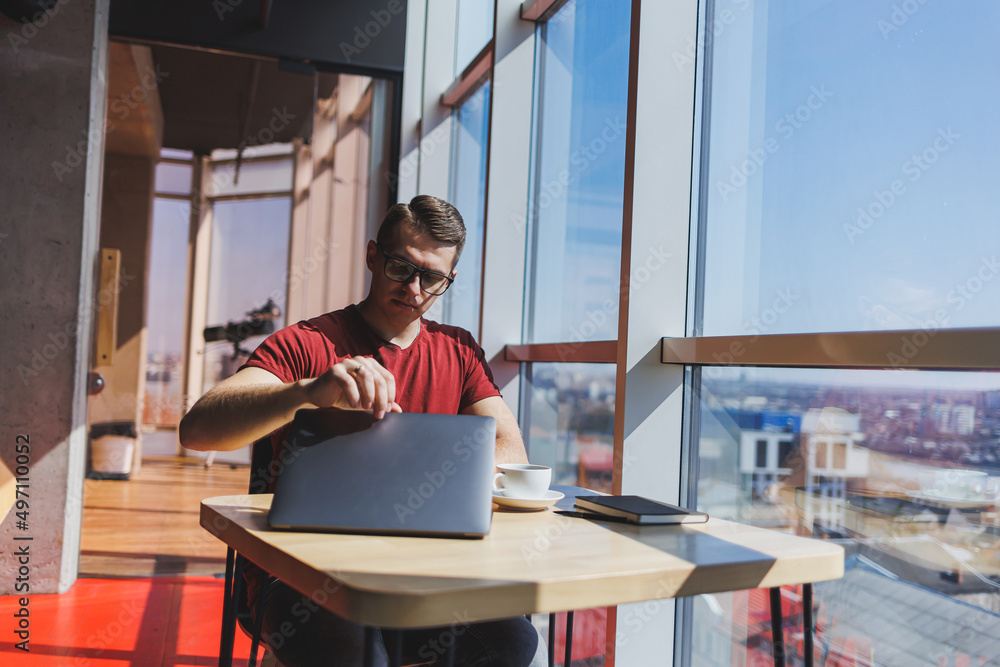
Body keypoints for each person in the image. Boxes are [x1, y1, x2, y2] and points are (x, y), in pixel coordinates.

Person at [180, 195, 546, 666]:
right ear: (373, 256)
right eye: (400, 268)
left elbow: (509, 448)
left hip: (424, 573)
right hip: (304, 574)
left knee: (512, 641)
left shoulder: (458, 350)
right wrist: (305, 393)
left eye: (432, 278)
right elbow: (198, 428)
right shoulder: (307, 343)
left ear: (448, 280)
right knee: (356, 651)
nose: (414, 289)